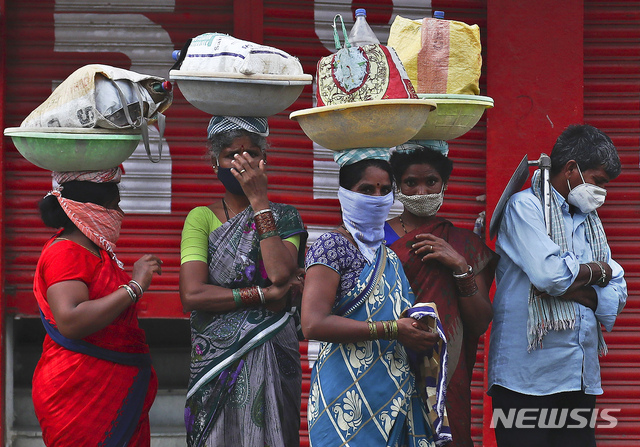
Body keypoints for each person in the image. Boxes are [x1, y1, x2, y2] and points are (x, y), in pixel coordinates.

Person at [488, 124, 627, 447]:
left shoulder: (590, 221)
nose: (602, 193)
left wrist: (584, 282)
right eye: (598, 181)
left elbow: (618, 294)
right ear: (570, 170)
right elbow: (550, 277)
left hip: (578, 377)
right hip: (526, 379)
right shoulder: (525, 208)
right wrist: (600, 273)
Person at [301, 148, 450, 447]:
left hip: (395, 396)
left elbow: (402, 317)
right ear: (345, 193)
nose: (376, 197)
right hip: (344, 400)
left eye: (384, 190)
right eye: (366, 189)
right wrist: (393, 329)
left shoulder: (389, 257)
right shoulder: (331, 246)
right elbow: (312, 325)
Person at [179, 116, 307, 447]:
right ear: (214, 162)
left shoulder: (287, 216)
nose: (242, 162)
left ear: (264, 162)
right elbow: (192, 293)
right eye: (231, 155)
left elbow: (280, 271)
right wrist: (264, 294)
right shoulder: (201, 218)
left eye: (251, 153)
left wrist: (259, 202)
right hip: (216, 362)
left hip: (274, 352)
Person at [32, 168, 163, 446]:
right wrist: (135, 286)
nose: (119, 214)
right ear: (92, 209)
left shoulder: (96, 251)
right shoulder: (65, 251)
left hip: (109, 388)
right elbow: (71, 320)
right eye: (114, 206)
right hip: (79, 393)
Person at [385, 143, 498, 447]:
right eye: (411, 182)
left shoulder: (465, 245)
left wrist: (460, 268)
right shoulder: (376, 241)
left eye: (431, 182)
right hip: (387, 362)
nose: (421, 191)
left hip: (447, 372)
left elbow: (480, 322)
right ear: (397, 186)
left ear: (444, 185)